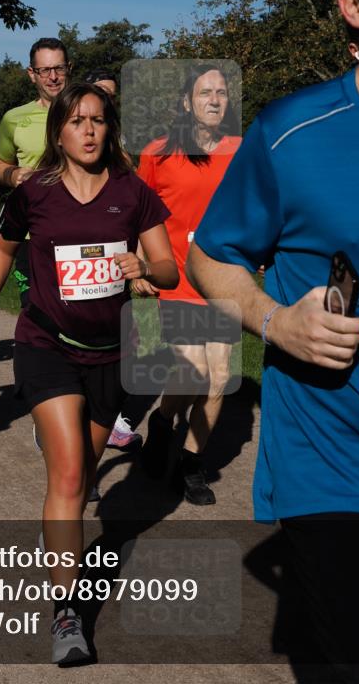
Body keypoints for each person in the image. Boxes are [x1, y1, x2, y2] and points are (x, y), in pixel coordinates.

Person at [187, 0, 359, 681]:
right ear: (351, 5)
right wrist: (274, 321)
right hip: (343, 470)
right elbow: (211, 257)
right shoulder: (293, 134)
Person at [0, 82, 177, 665]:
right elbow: (4, 248)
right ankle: (67, 615)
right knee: (66, 476)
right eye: (77, 121)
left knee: (85, 477)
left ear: (109, 129)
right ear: (57, 131)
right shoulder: (34, 191)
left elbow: (166, 269)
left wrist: (145, 264)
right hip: (46, 343)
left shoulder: (130, 192)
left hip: (110, 353)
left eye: (98, 121)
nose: (88, 130)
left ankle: (60, 521)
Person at [137, 65, 242, 504]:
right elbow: (138, 214)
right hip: (177, 277)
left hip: (221, 280)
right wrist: (142, 264)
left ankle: (190, 463)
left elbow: (251, 207)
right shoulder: (157, 153)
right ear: (187, 102)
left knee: (217, 376)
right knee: (192, 371)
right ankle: (163, 422)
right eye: (205, 93)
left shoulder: (241, 150)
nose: (215, 100)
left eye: (221, 93)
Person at [84, 70, 147, 452]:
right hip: (83, 253)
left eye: (111, 95)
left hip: (120, 251)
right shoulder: (80, 141)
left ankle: (112, 420)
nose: (107, 99)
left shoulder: (122, 141)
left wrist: (141, 260)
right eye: (100, 93)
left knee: (132, 340)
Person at [0, 37, 71, 306]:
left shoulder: (88, 111)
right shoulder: (13, 118)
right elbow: (0, 165)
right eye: (44, 70)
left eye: (59, 69)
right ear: (32, 74)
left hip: (81, 230)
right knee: (36, 309)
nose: (53, 77)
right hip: (32, 233)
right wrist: (12, 175)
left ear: (68, 69)